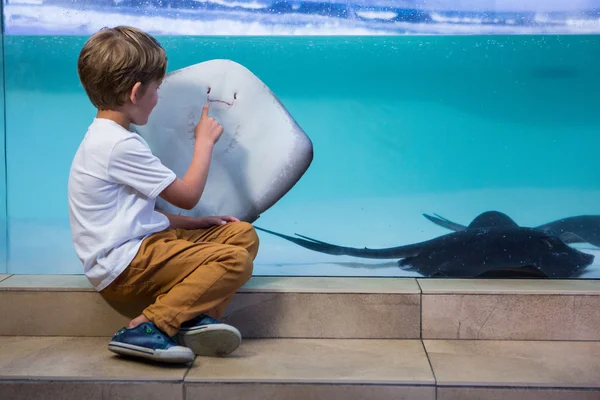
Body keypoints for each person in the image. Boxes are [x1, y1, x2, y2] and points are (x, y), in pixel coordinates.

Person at [68, 25, 259, 364]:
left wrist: (197, 224)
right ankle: (151, 326)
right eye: (158, 88)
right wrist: (203, 144)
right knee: (235, 261)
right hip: (124, 267)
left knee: (241, 235)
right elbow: (187, 194)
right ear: (136, 92)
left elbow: (133, 216)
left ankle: (191, 319)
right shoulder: (118, 145)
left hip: (139, 250)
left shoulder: (111, 136)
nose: (159, 97)